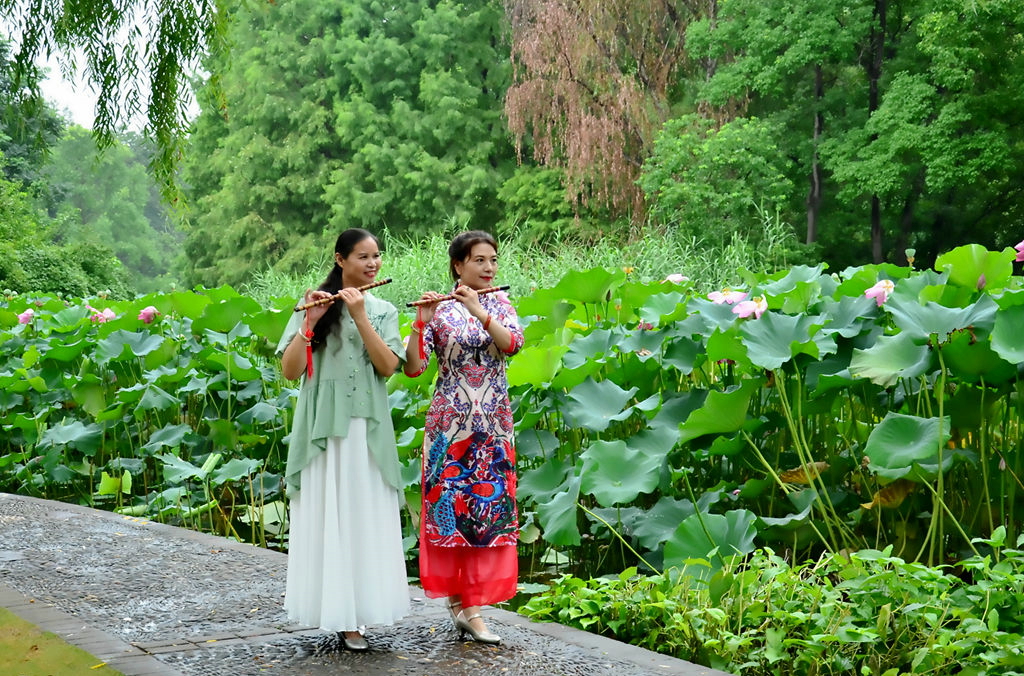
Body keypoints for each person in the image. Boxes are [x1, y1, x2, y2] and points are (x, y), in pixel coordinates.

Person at [276, 228, 409, 651]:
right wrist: (309, 325)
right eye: (363, 257)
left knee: (363, 514)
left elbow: (388, 367)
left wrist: (361, 316)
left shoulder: (384, 309)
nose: (373, 264)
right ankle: (341, 616)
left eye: (377, 256)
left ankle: (361, 613)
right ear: (340, 259)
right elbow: (291, 371)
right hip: (322, 428)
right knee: (329, 514)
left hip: (366, 427)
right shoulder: (314, 303)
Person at [404, 230, 525, 644]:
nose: (489, 268)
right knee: (452, 509)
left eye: (493, 260)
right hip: (449, 424)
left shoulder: (501, 304)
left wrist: (481, 311)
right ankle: (462, 604)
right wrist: (420, 323)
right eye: (479, 260)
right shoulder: (440, 311)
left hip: (493, 423)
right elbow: (415, 368)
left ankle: (470, 604)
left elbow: (512, 346)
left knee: (486, 509)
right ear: (459, 265)